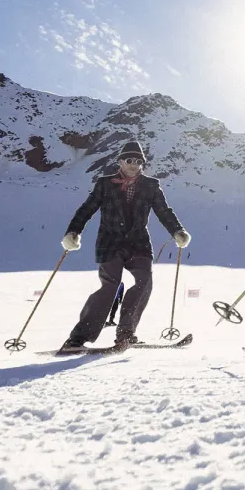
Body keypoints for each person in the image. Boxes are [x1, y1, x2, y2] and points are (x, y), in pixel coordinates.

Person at [57, 140, 190, 352]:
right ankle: (78, 338)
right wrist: (73, 232)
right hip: (110, 243)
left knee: (144, 282)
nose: (134, 164)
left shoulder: (151, 185)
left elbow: (164, 211)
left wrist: (177, 231)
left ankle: (126, 334)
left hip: (138, 243)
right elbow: (87, 209)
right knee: (110, 286)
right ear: (120, 161)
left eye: (139, 161)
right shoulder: (104, 183)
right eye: (129, 160)